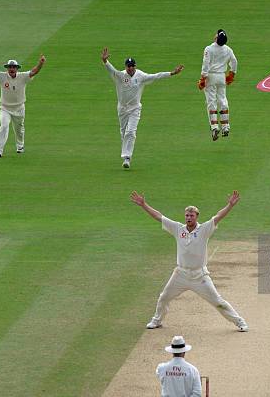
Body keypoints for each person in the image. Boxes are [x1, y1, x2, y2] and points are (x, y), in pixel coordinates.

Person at [130, 190, 248, 332]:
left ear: (197, 217)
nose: (188, 218)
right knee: (164, 297)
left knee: (218, 302)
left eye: (191, 215)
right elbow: (159, 217)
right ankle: (156, 320)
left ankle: (239, 322)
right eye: (187, 215)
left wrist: (230, 205)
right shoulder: (178, 228)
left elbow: (218, 217)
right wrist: (144, 205)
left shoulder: (204, 229)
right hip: (180, 274)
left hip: (200, 276)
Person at [101, 47, 184, 169]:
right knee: (124, 132)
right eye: (128, 66)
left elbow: (156, 76)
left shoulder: (140, 76)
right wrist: (105, 61)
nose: (130, 68)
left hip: (135, 109)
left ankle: (127, 158)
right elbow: (111, 70)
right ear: (125, 67)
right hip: (122, 109)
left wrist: (171, 73)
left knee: (131, 132)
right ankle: (126, 156)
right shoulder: (120, 76)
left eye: (132, 66)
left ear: (135, 66)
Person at [0, 52, 45, 157]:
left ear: (17, 68)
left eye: (13, 67)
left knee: (19, 129)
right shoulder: (2, 77)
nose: (11, 69)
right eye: (10, 67)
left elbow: (34, 72)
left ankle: (20, 146)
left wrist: (41, 63)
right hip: (5, 108)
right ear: (7, 68)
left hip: (19, 108)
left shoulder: (23, 76)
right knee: (4, 126)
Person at [197, 29, 237, 141]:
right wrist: (232, 74)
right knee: (223, 100)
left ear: (217, 38)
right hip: (221, 77)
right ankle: (225, 127)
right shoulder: (228, 50)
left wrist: (202, 78)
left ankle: (214, 127)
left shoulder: (209, 49)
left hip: (211, 76)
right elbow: (234, 62)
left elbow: (205, 64)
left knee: (211, 102)